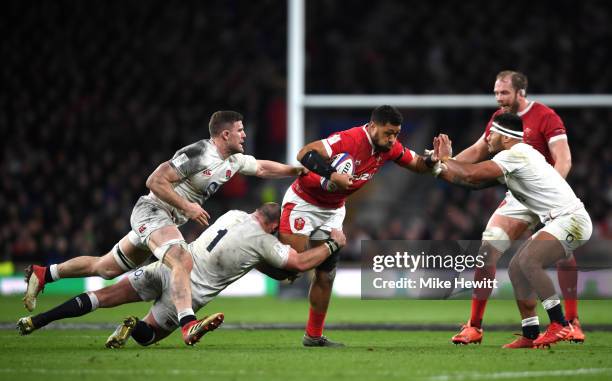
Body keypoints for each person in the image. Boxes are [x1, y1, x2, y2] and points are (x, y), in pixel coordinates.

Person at [23, 111, 305, 345]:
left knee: (105, 268)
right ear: (225, 134)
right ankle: (187, 324)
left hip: (164, 221)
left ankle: (45, 273)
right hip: (153, 211)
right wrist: (187, 206)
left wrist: (296, 171)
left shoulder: (234, 161)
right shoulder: (199, 153)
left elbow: (264, 168)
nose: (245, 135)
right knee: (182, 259)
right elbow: (154, 181)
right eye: (241, 130)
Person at [17, 203, 347, 347]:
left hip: (171, 264)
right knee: (150, 337)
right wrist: (332, 243)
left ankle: (38, 320)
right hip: (188, 292)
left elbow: (249, 257)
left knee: (101, 295)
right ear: (274, 226)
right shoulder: (264, 242)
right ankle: (136, 326)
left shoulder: (234, 215)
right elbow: (301, 264)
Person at [281, 105, 439, 347]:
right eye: (389, 133)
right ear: (373, 126)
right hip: (304, 202)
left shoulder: (389, 148)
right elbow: (304, 153)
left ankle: (313, 336)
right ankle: (258, 238)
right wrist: (332, 174)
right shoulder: (349, 139)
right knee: (290, 268)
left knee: (326, 274)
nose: (393, 139)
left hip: (333, 210)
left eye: (396, 134)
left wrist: (433, 159)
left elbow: (417, 164)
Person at [447, 71, 584, 345]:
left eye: (504, 93)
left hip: (546, 194)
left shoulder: (546, 117)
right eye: (496, 93)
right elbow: (476, 152)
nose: (499, 98)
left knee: (557, 254)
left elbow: (564, 160)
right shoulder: (499, 120)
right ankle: (475, 326)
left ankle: (571, 322)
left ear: (521, 93)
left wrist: (549, 201)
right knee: (488, 250)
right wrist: (443, 162)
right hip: (518, 197)